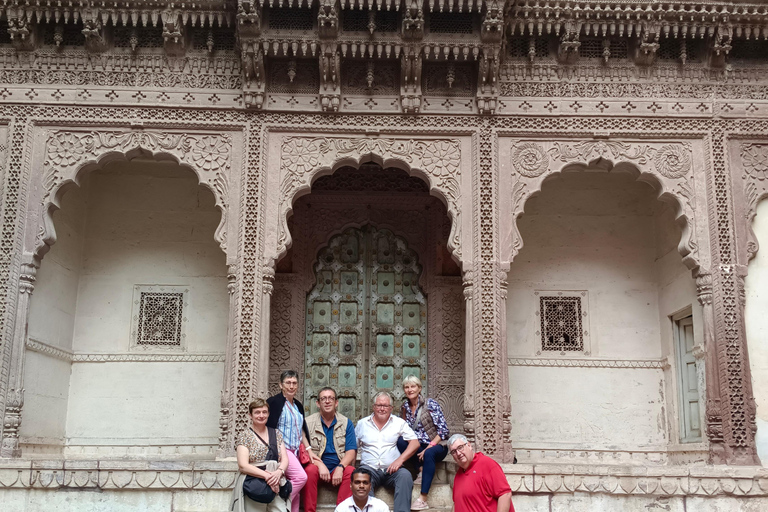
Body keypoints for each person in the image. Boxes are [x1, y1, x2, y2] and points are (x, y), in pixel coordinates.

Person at [355, 391, 419, 512]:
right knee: (362, 478)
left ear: (391, 408)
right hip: (369, 468)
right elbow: (353, 447)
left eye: (386, 406)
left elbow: (415, 443)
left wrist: (400, 460)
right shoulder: (362, 424)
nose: (382, 409)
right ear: (373, 407)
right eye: (379, 405)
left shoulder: (399, 423)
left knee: (405, 476)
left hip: (392, 470)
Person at [398, 375, 450, 511]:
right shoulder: (404, 407)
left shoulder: (431, 404)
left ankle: (423, 498)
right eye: (406, 387)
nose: (410, 390)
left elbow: (443, 431)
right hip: (417, 445)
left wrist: (429, 447)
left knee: (429, 454)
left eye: (413, 386)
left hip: (437, 445)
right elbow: (402, 429)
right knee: (400, 442)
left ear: (419, 388)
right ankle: (420, 470)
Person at [303, 387, 357, 512]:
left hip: (337, 467)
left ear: (336, 402)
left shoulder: (346, 423)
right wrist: (319, 464)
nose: (327, 401)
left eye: (330, 398)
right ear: (318, 403)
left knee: (351, 471)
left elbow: (351, 452)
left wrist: (340, 467)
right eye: (323, 399)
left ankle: (341, 510)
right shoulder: (307, 422)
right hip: (316, 466)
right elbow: (304, 450)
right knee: (309, 471)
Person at [231, 399, 290, 512]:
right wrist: (268, 477)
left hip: (276, 483)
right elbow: (243, 465)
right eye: (257, 412)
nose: (261, 415)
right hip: (254, 484)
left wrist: (279, 472)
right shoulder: (245, 436)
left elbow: (285, 459)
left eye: (264, 412)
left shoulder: (276, 433)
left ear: (268, 414)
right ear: (250, 415)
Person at [267, 370, 312, 512]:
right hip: (282, 450)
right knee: (300, 477)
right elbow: (268, 427)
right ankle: (276, 502)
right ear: (281, 385)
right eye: (288, 383)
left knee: (295, 491)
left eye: (294, 383)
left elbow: (302, 431)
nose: (291, 386)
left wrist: (309, 449)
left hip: (297, 451)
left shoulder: (298, 405)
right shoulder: (274, 402)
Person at [448, 434, 515, 512]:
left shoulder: (487, 465)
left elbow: (505, 495)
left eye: (460, 448)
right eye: (454, 452)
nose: (458, 453)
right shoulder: (458, 475)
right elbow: (456, 503)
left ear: (469, 445)